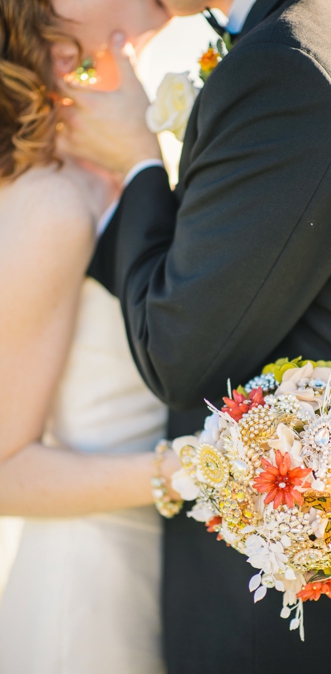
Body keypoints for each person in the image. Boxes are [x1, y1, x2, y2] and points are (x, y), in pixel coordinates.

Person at [61, 0, 331, 671]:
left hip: (299, 626)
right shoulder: (325, 35)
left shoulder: (291, 68)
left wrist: (136, 164)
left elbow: (177, 353)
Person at [0, 1, 175, 672]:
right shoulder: (52, 202)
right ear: (61, 52)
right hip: (88, 595)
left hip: (164, 566)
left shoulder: (117, 166)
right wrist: (189, 473)